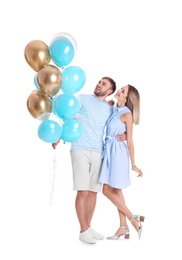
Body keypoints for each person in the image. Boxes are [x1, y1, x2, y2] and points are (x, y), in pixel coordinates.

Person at [52, 77, 126, 244]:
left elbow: (120, 123)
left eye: (103, 84)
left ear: (109, 92)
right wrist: (58, 135)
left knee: (93, 192)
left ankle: (89, 226)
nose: (99, 84)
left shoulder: (110, 108)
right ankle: (83, 230)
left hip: (99, 151)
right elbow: (68, 116)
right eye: (99, 82)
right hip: (80, 148)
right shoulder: (83, 98)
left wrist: (126, 135)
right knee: (82, 190)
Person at [99, 84, 145, 240]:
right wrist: (109, 103)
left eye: (122, 91)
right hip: (108, 152)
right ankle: (123, 227)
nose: (118, 91)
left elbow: (130, 141)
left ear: (127, 98)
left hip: (118, 154)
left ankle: (133, 219)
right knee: (116, 191)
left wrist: (134, 165)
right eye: (120, 89)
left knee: (107, 190)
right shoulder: (113, 108)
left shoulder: (127, 115)